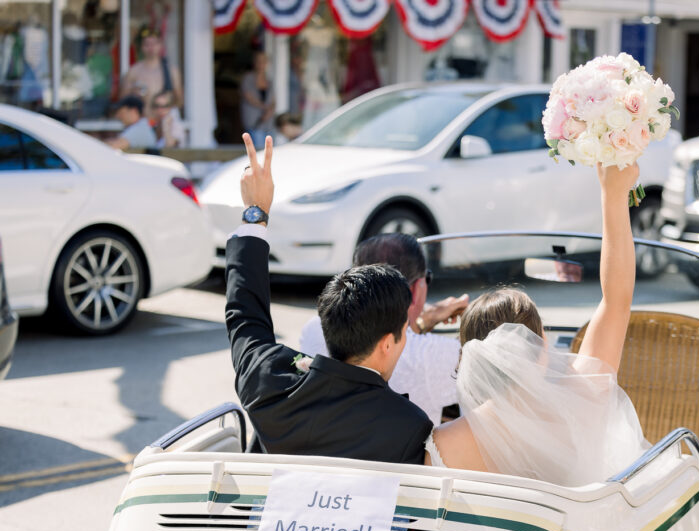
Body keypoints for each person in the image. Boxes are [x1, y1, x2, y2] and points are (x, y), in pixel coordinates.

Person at [427, 163, 647, 486]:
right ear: (538, 346)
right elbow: (617, 300)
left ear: (471, 356)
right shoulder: (583, 398)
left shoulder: (442, 445)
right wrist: (612, 194)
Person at [225, 133, 432, 463]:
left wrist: (256, 211)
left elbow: (245, 315)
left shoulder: (268, 380)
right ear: (386, 343)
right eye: (405, 330)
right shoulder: (409, 426)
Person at [298, 234, 469, 425]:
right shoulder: (440, 354)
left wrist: (422, 323)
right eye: (426, 278)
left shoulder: (315, 328)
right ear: (415, 289)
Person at [120, 27, 183, 118]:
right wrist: (134, 94)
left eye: (154, 43)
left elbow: (180, 100)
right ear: (142, 47)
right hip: (142, 122)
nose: (151, 48)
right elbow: (123, 100)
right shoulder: (133, 71)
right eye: (147, 44)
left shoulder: (171, 71)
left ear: (161, 45)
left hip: (165, 122)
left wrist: (166, 103)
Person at [240, 52, 275, 147]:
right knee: (258, 148)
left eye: (263, 61)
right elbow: (248, 97)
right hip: (254, 121)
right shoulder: (248, 78)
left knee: (269, 149)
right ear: (254, 63)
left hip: (268, 123)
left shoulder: (269, 80)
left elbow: (273, 100)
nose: (261, 64)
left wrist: (269, 111)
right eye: (259, 61)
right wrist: (265, 108)